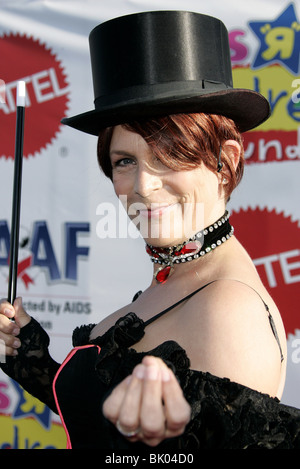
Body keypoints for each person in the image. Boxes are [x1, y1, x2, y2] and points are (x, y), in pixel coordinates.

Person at [1, 10, 300, 451]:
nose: (143, 185)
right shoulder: (181, 273)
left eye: (170, 154)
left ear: (227, 161)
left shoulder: (226, 310)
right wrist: (32, 360)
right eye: (126, 161)